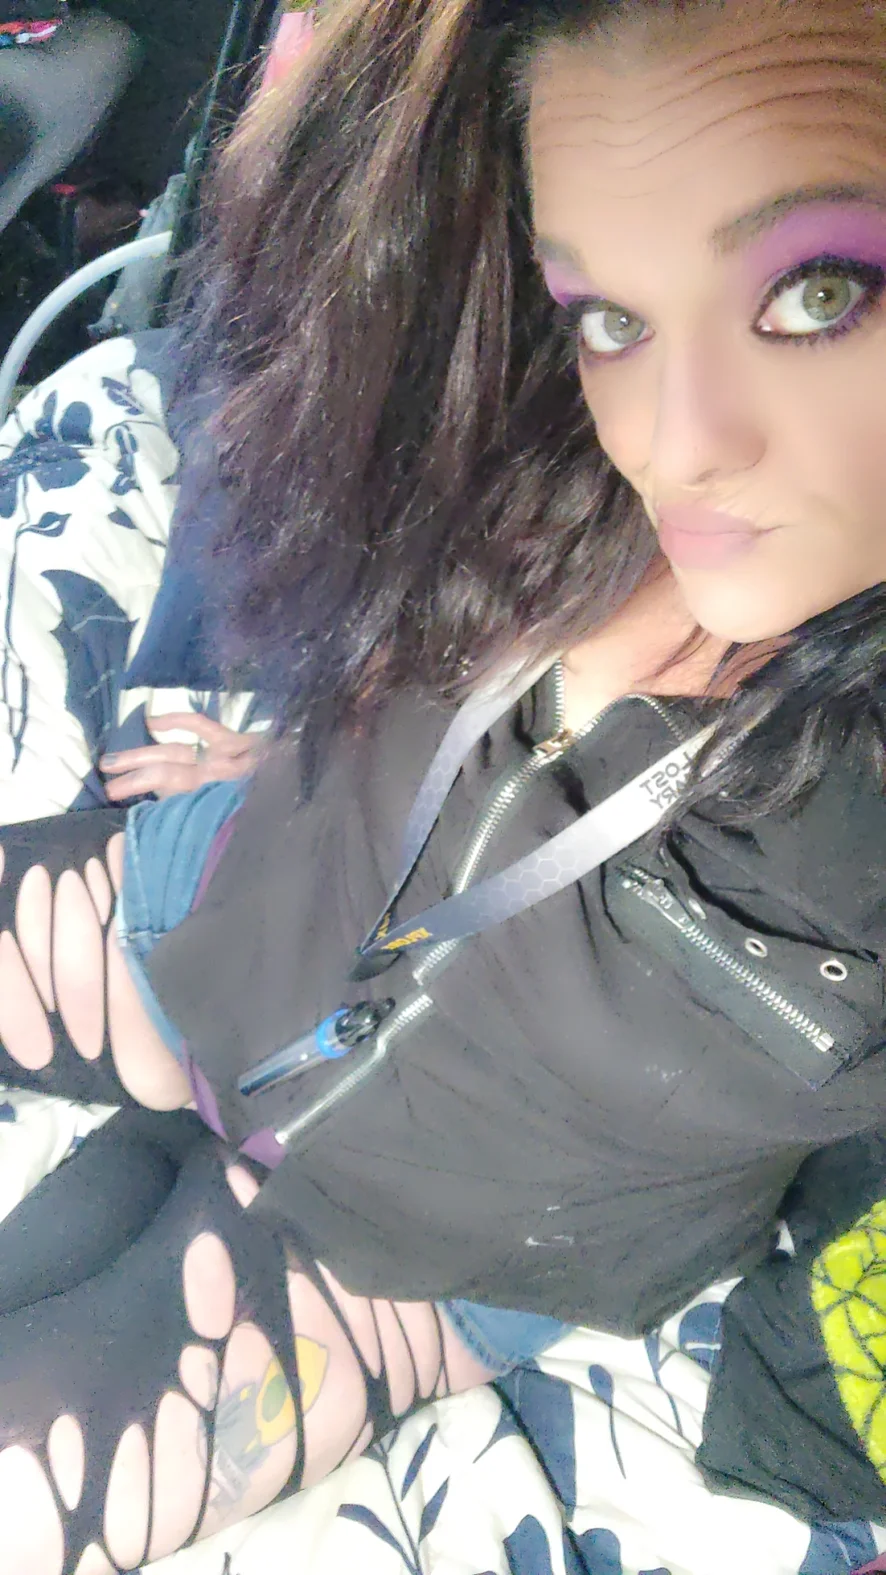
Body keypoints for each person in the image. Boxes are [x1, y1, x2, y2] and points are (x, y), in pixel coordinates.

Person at [0, 0, 883, 1569]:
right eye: (610, 314)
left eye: (814, 292)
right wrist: (306, 745)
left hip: (447, 1246)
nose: (680, 443)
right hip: (230, 907)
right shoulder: (526, 414)